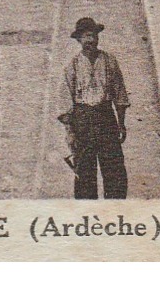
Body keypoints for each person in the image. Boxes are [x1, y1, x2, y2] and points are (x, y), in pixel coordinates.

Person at [59, 16, 130, 199]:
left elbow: (119, 94)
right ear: (79, 40)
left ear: (98, 37)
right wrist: (70, 132)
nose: (90, 40)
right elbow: (66, 102)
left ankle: (116, 212)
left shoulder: (109, 61)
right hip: (83, 120)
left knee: (114, 170)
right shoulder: (72, 66)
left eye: (93, 35)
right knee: (84, 172)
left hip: (106, 117)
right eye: (86, 36)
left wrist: (121, 124)